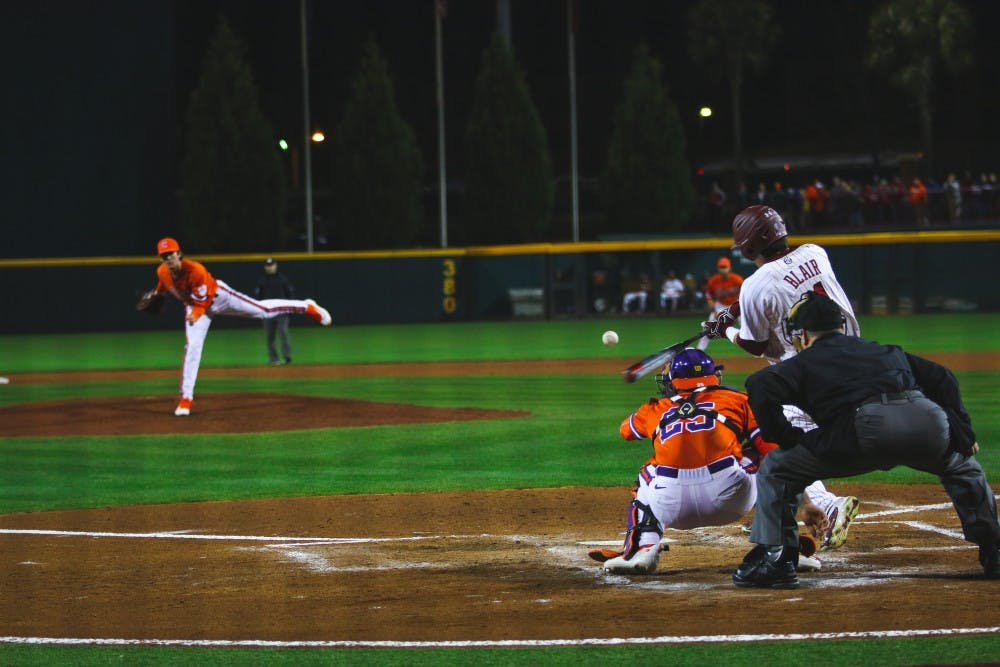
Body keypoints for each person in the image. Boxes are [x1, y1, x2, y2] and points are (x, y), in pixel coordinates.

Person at [733, 292, 1000, 588]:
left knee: (779, 468)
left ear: (804, 334)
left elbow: (759, 384)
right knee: (965, 470)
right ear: (841, 325)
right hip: (927, 422)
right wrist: (961, 430)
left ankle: (776, 559)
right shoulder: (883, 350)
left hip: (865, 430)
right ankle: (994, 550)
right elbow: (942, 377)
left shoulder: (806, 360)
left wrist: (785, 437)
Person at [702, 204, 862, 549]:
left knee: (774, 441)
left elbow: (756, 346)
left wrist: (723, 331)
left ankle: (824, 507)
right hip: (858, 363)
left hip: (806, 379)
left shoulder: (754, 284)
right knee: (790, 443)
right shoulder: (816, 252)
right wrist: (738, 308)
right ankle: (785, 510)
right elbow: (788, 284)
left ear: (747, 247)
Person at [588, 349, 822, 574]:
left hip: (670, 504)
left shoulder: (656, 409)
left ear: (672, 381)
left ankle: (643, 546)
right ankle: (781, 548)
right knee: (763, 455)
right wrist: (806, 502)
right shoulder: (738, 400)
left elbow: (625, 431)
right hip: (732, 499)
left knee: (648, 471)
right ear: (714, 376)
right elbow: (776, 455)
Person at [148, 238, 332, 416]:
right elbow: (163, 286)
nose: (168, 259)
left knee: (263, 311)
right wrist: (156, 294)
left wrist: (194, 316)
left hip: (219, 298)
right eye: (164, 256)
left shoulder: (196, 270)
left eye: (171, 254)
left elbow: (201, 305)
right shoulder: (162, 272)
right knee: (192, 347)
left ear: (179, 254)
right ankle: (186, 399)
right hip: (194, 307)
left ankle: (306, 307)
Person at [255, 257, 296, 366]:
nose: (270, 267)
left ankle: (287, 357)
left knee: (284, 334)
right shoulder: (262, 280)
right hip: (267, 313)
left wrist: (289, 308)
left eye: (271, 265)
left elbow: (289, 294)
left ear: (275, 266)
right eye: (268, 265)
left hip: (281, 312)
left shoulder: (282, 279)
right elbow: (258, 298)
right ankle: (273, 359)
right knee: (270, 337)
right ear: (265, 267)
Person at [696, 256, 743, 351]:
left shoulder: (737, 280)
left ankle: (753, 347)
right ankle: (699, 350)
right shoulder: (713, 281)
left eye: (725, 267)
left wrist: (740, 308)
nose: (723, 270)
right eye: (721, 267)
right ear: (718, 269)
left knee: (746, 326)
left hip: (735, 305)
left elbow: (745, 295)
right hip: (720, 306)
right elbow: (709, 296)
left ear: (729, 268)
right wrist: (714, 310)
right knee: (707, 328)